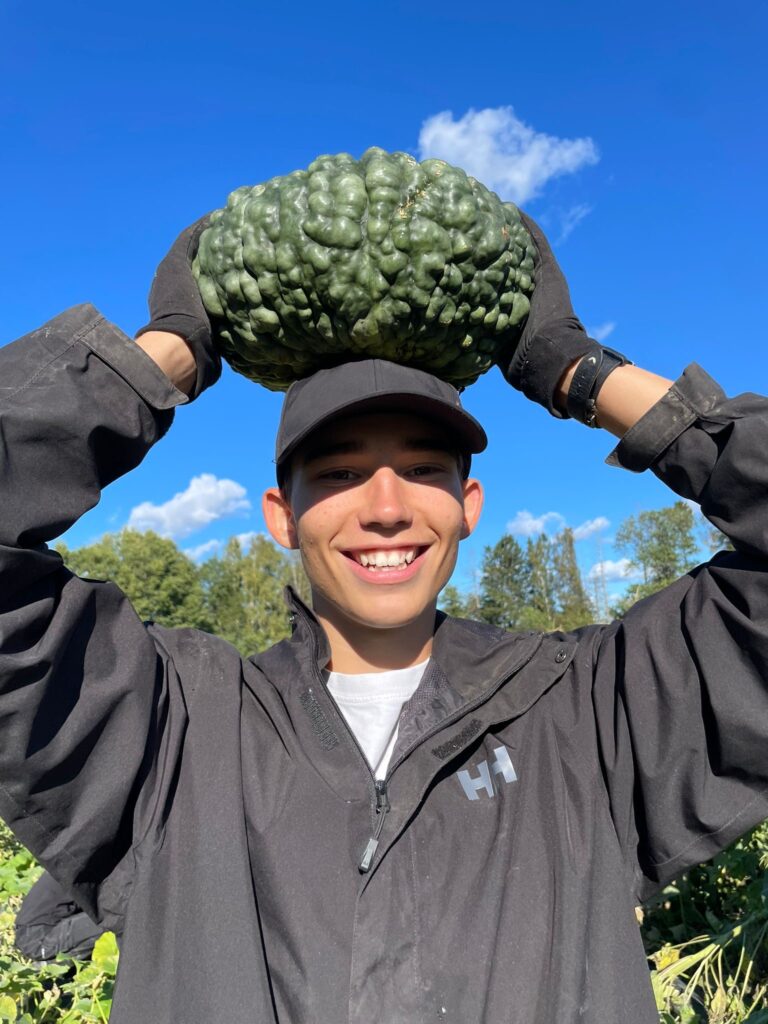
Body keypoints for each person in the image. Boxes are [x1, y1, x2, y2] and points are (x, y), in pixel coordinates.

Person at [0, 210, 766, 1024]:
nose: (388, 508)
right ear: (280, 517)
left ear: (468, 505)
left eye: (424, 468)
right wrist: (163, 357)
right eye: (339, 472)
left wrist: (579, 372)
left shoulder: (594, 715)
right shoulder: (168, 734)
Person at [15, 870, 108, 963]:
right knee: (112, 919)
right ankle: (52, 967)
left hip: (29, 934)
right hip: (38, 938)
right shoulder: (85, 866)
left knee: (110, 915)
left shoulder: (71, 860)